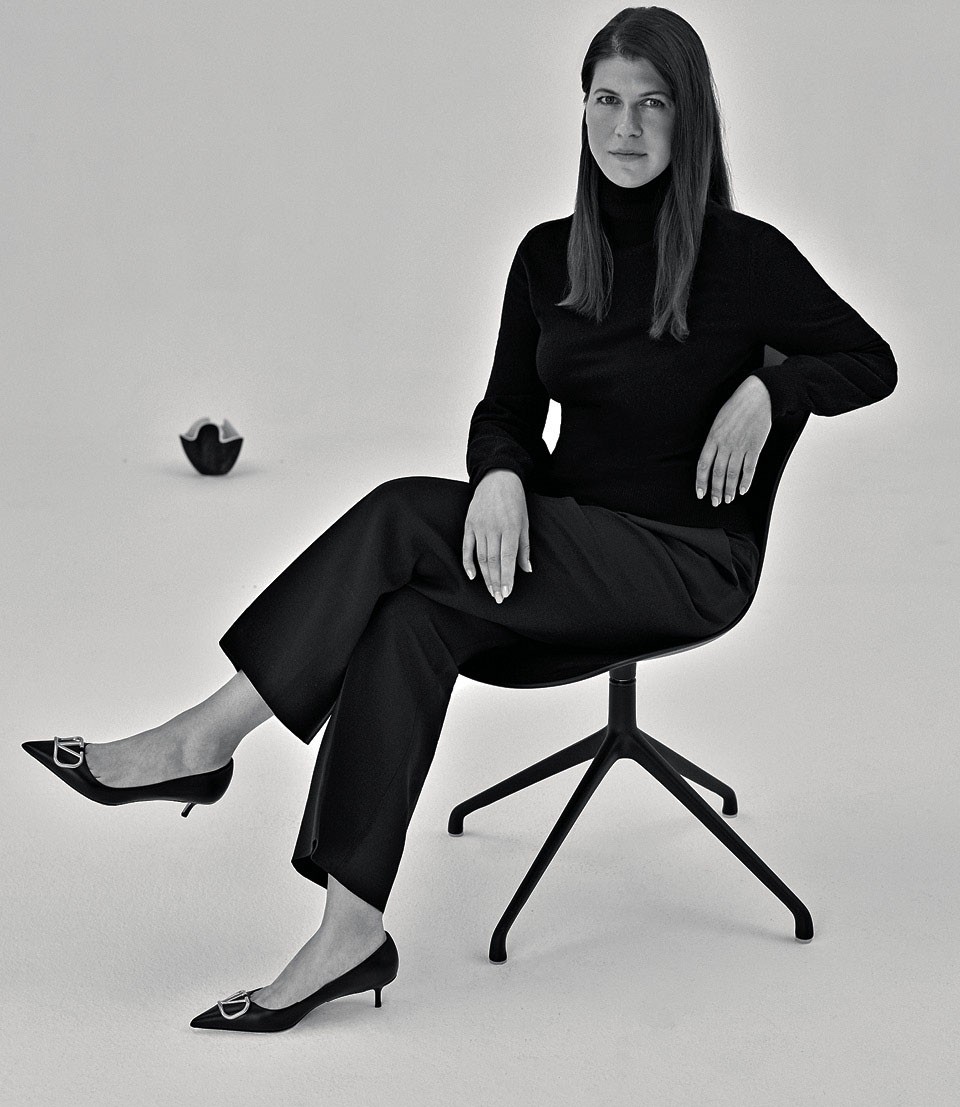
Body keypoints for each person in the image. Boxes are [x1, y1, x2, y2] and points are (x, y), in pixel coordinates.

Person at [22, 6, 897, 1033]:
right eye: (606, 100)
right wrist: (501, 476)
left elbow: (871, 361)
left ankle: (202, 739)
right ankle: (350, 932)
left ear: (690, 119)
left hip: (691, 560)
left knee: (401, 514)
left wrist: (773, 390)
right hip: (565, 545)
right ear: (582, 110)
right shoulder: (547, 258)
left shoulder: (746, 258)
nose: (625, 127)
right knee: (408, 620)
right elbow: (505, 414)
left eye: (653, 104)